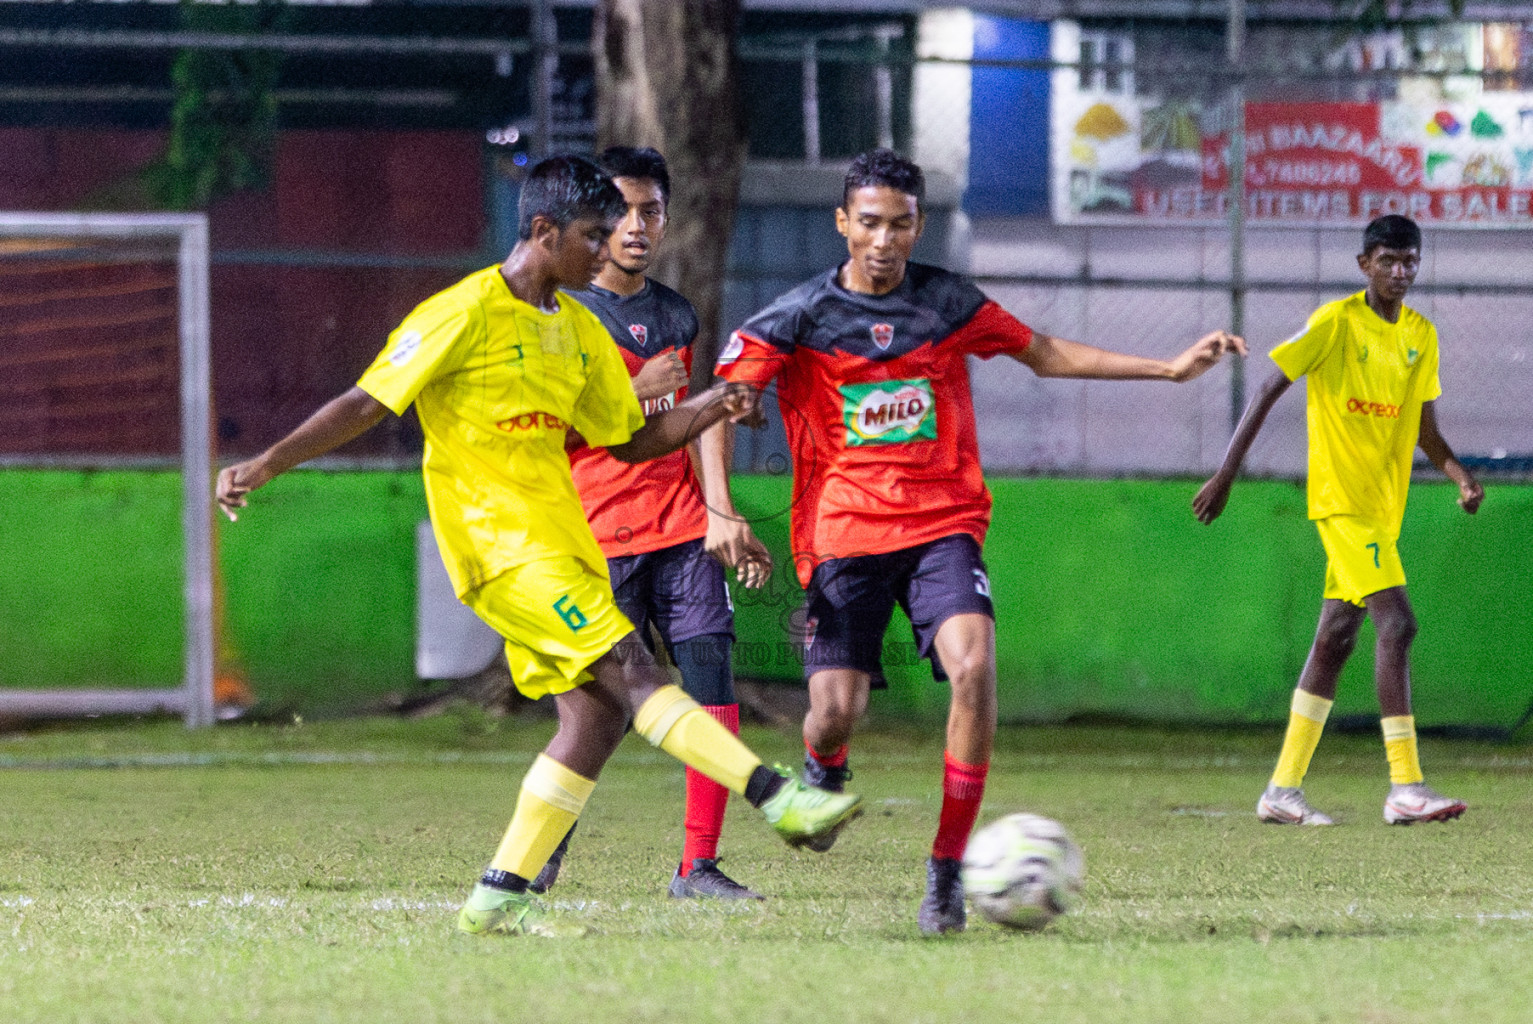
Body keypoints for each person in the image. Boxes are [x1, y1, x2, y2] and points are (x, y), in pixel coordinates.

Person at [215, 155, 862, 938]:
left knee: (593, 718)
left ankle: (500, 895)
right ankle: (776, 797)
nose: (609, 246)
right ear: (543, 230)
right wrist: (266, 462)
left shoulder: (581, 332)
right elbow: (365, 401)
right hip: (499, 548)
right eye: (594, 233)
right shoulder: (464, 311)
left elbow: (630, 439)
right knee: (632, 672)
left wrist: (711, 403)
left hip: (563, 542)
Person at [715, 148, 1244, 934]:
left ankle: (946, 872)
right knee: (833, 710)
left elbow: (1042, 353)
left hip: (943, 525)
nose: (884, 240)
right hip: (842, 533)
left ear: (917, 224)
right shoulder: (795, 317)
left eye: (899, 224)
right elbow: (722, 404)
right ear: (842, 223)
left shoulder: (948, 303)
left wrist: (1165, 370)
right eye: (868, 223)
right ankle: (825, 765)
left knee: (972, 668)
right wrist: (720, 510)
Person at [530, 145, 774, 901]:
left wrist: (721, 510)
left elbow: (695, 416)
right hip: (595, 537)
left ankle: (697, 867)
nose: (637, 227)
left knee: (712, 682)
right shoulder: (559, 316)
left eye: (652, 212)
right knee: (596, 709)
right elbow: (550, 429)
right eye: (624, 212)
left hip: (679, 534)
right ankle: (537, 860)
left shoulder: (673, 312)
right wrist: (633, 390)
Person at [1194, 213, 1482, 828]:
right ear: (1364, 264)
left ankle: (1282, 791)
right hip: (1342, 503)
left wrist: (1457, 474)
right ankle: (1406, 786)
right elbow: (1268, 387)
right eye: (1387, 261)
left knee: (1335, 640)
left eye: (1409, 262)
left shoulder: (1421, 335)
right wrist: (1226, 474)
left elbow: (1425, 429)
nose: (1399, 273)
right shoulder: (1335, 322)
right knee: (1398, 625)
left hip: (1383, 510)